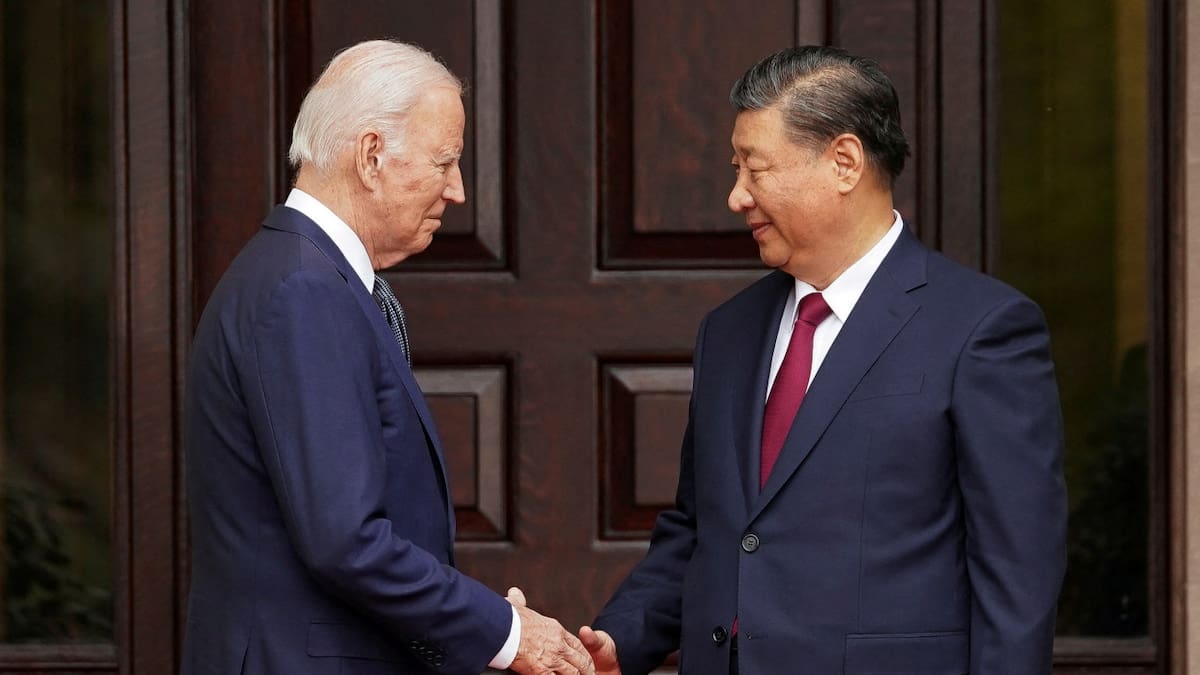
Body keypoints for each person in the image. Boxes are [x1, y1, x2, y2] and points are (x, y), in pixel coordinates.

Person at [578, 45, 1067, 674]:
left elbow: (1017, 574)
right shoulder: (728, 332)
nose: (736, 196)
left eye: (755, 170)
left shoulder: (981, 329)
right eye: (736, 170)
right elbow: (705, 530)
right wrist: (622, 638)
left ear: (844, 161)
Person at [181, 40, 593, 675]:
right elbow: (346, 542)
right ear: (371, 156)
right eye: (445, 161)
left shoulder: (308, 275)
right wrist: (508, 633)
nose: (457, 190)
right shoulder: (303, 290)